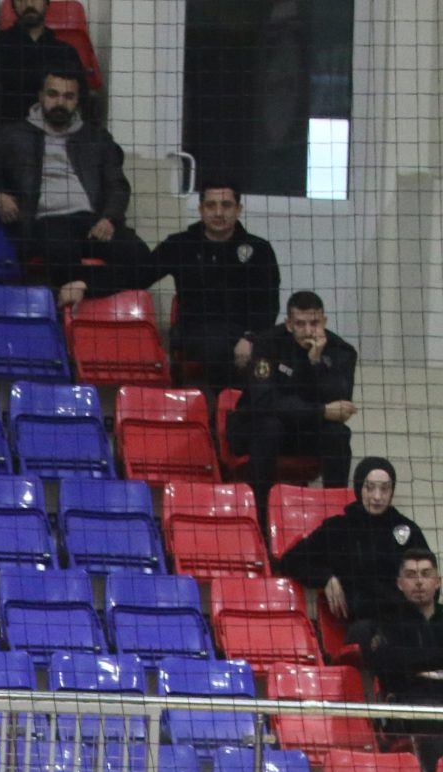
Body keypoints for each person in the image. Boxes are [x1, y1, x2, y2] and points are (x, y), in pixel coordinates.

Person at [0, 69, 150, 307]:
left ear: (77, 101)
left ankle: (82, 286)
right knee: (60, 252)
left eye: (68, 97)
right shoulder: (12, 135)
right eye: (53, 94)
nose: (60, 102)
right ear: (40, 96)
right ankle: (78, 301)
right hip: (47, 222)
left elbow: (117, 185)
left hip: (93, 222)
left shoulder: (96, 138)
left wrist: (109, 218)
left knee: (143, 259)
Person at [146, 180, 281, 391]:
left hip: (245, 332)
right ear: (201, 210)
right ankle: (226, 413)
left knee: (282, 353)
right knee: (218, 347)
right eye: (211, 205)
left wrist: (250, 337)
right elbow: (137, 274)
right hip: (198, 332)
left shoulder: (259, 250)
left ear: (238, 209)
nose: (218, 212)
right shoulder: (180, 245)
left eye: (226, 205)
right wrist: (85, 284)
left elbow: (269, 305)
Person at [229, 291, 358, 500]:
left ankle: (336, 513)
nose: (308, 331)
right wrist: (321, 410)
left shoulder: (341, 352)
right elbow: (265, 402)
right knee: (270, 425)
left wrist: (315, 363)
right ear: (289, 324)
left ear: (324, 321)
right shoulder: (266, 344)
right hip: (261, 429)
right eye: (300, 324)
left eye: (314, 323)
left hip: (305, 432)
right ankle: (260, 513)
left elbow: (340, 404)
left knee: (338, 434)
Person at [277, 457, 433, 624]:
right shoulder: (338, 529)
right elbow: (289, 561)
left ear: (392, 490)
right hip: (363, 626)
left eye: (385, 489)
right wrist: (325, 577)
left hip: (407, 624)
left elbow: (430, 578)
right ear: (359, 488)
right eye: (370, 488)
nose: (377, 496)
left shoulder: (407, 530)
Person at [349, 549, 443, 766]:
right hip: (411, 710)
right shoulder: (386, 623)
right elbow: (390, 668)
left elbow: (405, 662)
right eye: (411, 575)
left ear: (437, 582)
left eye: (426, 574)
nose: (419, 582)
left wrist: (416, 664)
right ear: (400, 583)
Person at [0, 0, 87, 128]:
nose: (29, 4)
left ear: (47, 3)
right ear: (13, 5)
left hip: (57, 132)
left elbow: (81, 97)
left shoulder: (66, 50)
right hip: (10, 136)